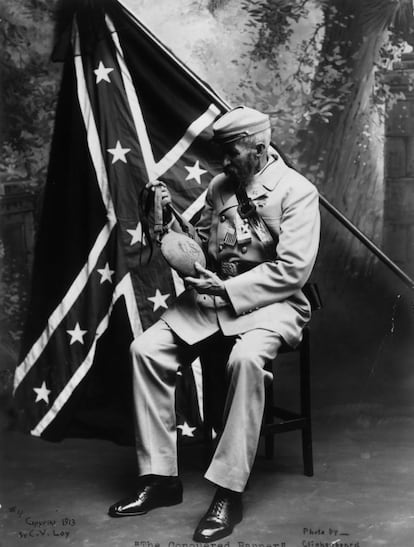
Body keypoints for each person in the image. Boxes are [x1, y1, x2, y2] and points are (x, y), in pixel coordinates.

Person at [108, 106, 320, 542]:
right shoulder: (224, 187)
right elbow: (205, 253)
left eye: (231, 153)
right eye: (221, 153)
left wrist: (227, 291)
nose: (222, 164)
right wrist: (168, 226)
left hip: (274, 303)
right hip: (216, 297)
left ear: (259, 149)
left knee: (245, 359)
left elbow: (293, 270)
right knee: (145, 351)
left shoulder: (297, 192)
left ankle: (228, 491)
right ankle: (160, 479)